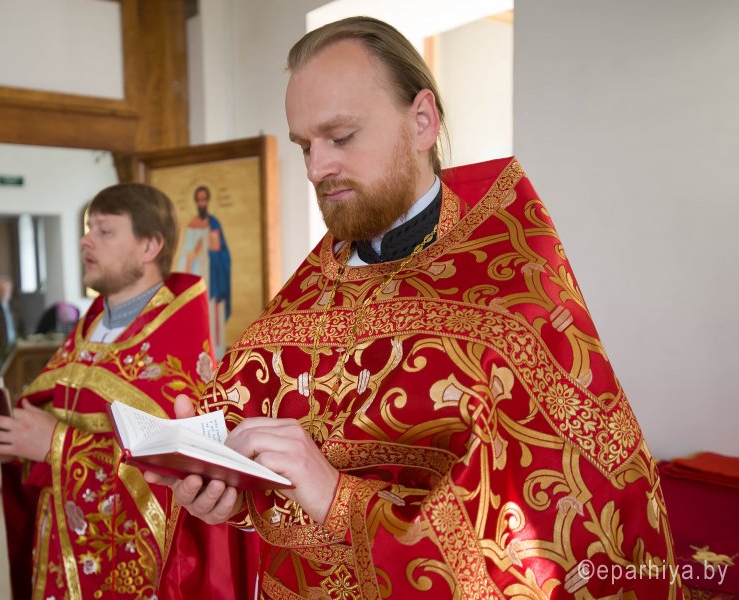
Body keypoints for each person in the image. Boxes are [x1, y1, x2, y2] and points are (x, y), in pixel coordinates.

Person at [154, 17, 682, 599]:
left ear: (423, 120)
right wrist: (223, 493)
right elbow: (257, 488)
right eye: (305, 145)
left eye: (341, 136)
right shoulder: (303, 297)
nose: (315, 168)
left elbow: (544, 537)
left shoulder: (511, 293)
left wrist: (336, 497)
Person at [0, 183, 253, 599]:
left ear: (150, 246)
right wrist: (14, 443)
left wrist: (56, 445)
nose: (86, 240)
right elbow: (50, 430)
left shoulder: (178, 348)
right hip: (61, 551)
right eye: (88, 229)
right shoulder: (91, 328)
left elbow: (174, 475)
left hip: (129, 571)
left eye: (104, 230)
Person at [177, 185, 232, 358]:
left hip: (212, 275)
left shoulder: (214, 224)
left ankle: (216, 354)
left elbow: (220, 250)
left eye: (204, 199)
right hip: (195, 274)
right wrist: (189, 260)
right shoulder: (191, 225)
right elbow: (186, 251)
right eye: (199, 200)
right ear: (195, 202)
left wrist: (208, 247)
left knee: (212, 313)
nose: (202, 203)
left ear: (208, 201)